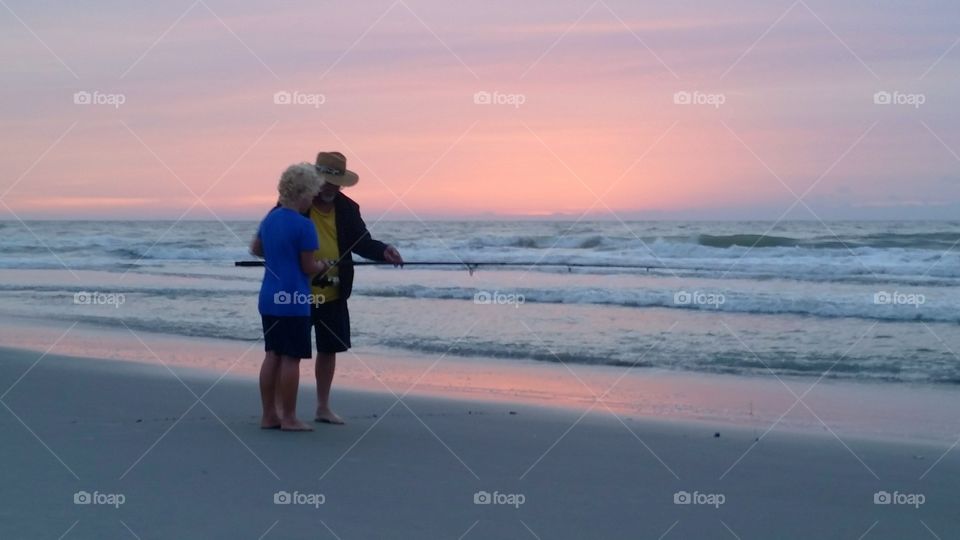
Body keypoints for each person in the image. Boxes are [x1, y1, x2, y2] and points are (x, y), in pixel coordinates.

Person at [308, 152, 403, 425]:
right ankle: (279, 409)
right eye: (326, 180)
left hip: (335, 290)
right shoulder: (296, 203)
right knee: (288, 353)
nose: (330, 187)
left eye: (336, 182)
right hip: (296, 291)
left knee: (329, 349)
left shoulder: (348, 208)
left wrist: (384, 250)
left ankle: (322, 407)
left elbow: (362, 242)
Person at [250, 163, 330, 432]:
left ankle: (269, 415)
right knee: (291, 358)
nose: (313, 200)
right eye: (312, 194)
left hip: (269, 297)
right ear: (304, 193)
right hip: (294, 299)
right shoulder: (304, 225)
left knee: (272, 354)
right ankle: (290, 417)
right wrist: (324, 266)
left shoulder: (270, 219)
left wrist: (279, 255)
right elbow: (309, 267)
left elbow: (256, 248)